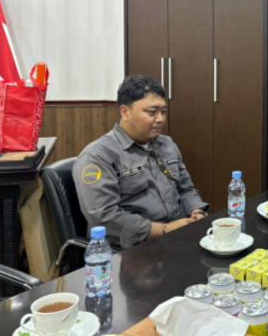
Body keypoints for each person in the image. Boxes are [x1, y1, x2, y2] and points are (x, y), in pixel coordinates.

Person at [73, 76, 209, 249]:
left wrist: (196, 211)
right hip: (134, 249)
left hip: (179, 236)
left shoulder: (167, 144)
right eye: (152, 112)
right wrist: (164, 230)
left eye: (163, 112)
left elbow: (186, 189)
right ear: (125, 112)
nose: (160, 119)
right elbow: (104, 218)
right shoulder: (98, 155)